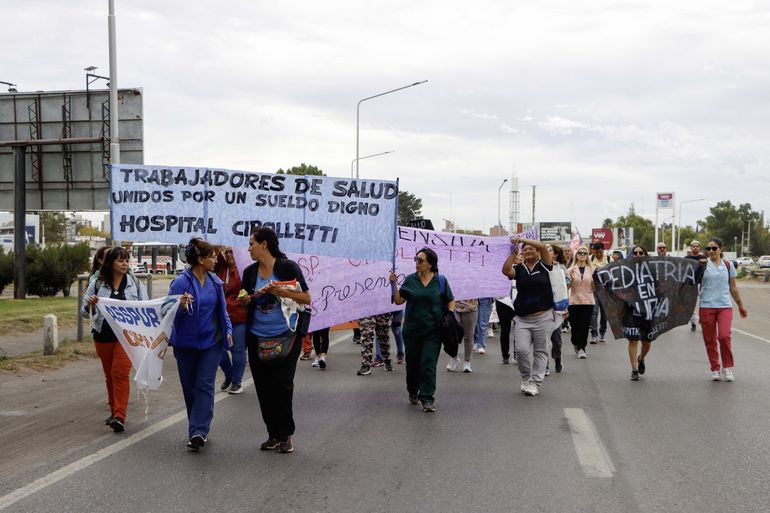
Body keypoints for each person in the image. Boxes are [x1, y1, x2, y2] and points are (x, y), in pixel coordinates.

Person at [241, 228, 311, 453]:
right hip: (257, 337)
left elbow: (306, 297)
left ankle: (285, 435)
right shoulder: (250, 272)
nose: (249, 248)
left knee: (282, 385)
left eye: (252, 243)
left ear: (264, 244)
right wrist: (244, 299)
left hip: (287, 335)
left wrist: (281, 291)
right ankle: (273, 434)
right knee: (263, 387)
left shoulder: (287, 267)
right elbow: (247, 299)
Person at [168, 238, 233, 451]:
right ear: (200, 259)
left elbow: (222, 310)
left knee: (204, 385)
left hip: (211, 343)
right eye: (212, 256)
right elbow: (166, 312)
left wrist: (229, 331)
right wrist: (181, 306)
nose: (216, 259)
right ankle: (197, 425)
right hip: (185, 345)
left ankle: (198, 431)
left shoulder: (216, 282)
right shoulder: (180, 282)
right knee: (190, 389)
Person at [82, 246, 148, 433]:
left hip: (127, 337)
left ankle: (120, 415)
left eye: (127, 260)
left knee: (120, 372)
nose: (125, 264)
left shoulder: (134, 283)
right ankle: (113, 411)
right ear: (110, 263)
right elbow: (83, 312)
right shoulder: (97, 284)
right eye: (120, 260)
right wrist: (90, 305)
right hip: (103, 335)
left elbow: (145, 306)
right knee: (110, 375)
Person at [389, 248, 454, 412]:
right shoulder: (410, 280)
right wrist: (393, 284)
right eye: (416, 259)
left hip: (433, 331)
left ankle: (427, 398)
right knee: (412, 364)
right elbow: (398, 301)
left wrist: (449, 316)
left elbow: (451, 300)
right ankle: (412, 390)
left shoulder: (440, 281)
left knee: (428, 364)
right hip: (411, 330)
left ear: (430, 264)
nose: (416, 263)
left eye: (420, 260)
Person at [503, 236, 553, 397]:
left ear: (537, 252)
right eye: (525, 250)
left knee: (540, 351)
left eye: (531, 248)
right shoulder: (519, 269)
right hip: (523, 318)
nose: (528, 251)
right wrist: (513, 253)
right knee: (522, 350)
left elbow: (544, 247)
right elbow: (505, 271)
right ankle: (526, 377)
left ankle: (535, 383)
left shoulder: (545, 265)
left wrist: (523, 239)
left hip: (543, 316)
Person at [699, 237, 748, 381]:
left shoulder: (728, 265)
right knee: (710, 340)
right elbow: (689, 283)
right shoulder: (702, 265)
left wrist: (740, 305)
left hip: (724, 306)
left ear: (721, 249)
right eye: (708, 249)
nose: (711, 251)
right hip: (706, 306)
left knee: (724, 336)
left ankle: (727, 367)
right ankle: (715, 368)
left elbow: (733, 288)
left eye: (714, 248)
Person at [215, 247, 247, 394]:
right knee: (217, 348)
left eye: (231, 251)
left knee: (237, 349)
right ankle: (229, 374)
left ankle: (236, 382)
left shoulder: (245, 269)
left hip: (239, 316)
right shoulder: (222, 268)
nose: (228, 254)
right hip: (220, 316)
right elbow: (215, 248)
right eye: (226, 252)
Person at [626, 245, 652, 381]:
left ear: (645, 254)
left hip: (648, 310)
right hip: (631, 310)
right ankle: (634, 369)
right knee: (633, 339)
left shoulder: (653, 270)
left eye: (641, 252)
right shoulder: (625, 270)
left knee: (647, 341)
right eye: (635, 253)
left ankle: (641, 358)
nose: (638, 255)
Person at [567, 246, 594, 359]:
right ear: (576, 255)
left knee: (584, 326)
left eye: (584, 253)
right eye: (580, 253)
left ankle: (582, 348)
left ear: (587, 256)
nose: (582, 255)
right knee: (574, 326)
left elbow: (595, 287)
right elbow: (566, 286)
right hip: (574, 301)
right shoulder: (571, 270)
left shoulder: (592, 270)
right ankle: (575, 342)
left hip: (588, 301)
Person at [496, 249, 521, 364]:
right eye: (518, 255)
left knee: (519, 329)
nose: (520, 257)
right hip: (503, 301)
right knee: (505, 330)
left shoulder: (523, 268)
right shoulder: (501, 266)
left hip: (518, 301)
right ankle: (505, 355)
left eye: (521, 255)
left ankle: (517, 354)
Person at [546, 245, 568, 373]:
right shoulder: (541, 266)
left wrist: (565, 307)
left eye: (550, 251)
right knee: (543, 338)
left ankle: (557, 358)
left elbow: (565, 287)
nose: (547, 252)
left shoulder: (561, 268)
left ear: (556, 255)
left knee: (556, 338)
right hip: (543, 306)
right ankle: (545, 365)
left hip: (557, 307)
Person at [447, 299, 477, 373]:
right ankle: (454, 358)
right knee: (453, 335)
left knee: (468, 336)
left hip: (470, 307)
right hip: (455, 306)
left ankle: (467, 362)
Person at [589, 242, 610, 343]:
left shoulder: (608, 259)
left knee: (605, 314)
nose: (598, 254)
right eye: (596, 252)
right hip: (594, 289)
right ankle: (593, 334)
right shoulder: (590, 259)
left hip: (606, 291)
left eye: (600, 252)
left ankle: (602, 332)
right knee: (594, 312)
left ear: (603, 250)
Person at [685, 240, 706, 331]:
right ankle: (693, 322)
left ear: (699, 248)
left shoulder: (703, 257)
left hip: (702, 283)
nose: (695, 248)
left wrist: (706, 261)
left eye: (697, 246)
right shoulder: (686, 258)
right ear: (691, 248)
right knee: (690, 304)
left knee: (703, 302)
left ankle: (703, 319)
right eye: (693, 246)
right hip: (691, 284)